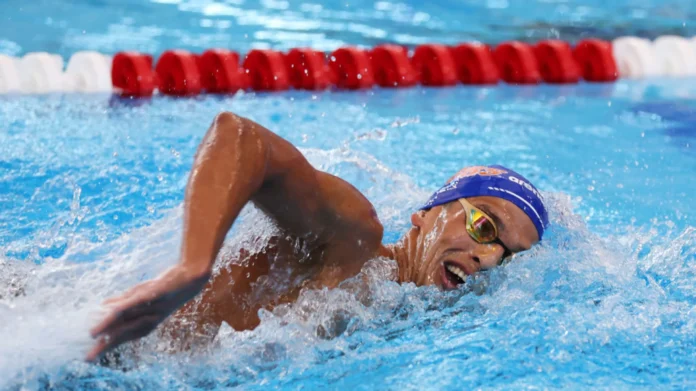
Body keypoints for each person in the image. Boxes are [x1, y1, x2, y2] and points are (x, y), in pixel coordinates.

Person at [86, 112, 548, 361]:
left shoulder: (405, 315)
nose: (488, 257)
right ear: (425, 215)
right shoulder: (353, 240)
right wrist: (192, 265)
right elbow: (241, 137)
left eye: (507, 255)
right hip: (106, 344)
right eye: (484, 226)